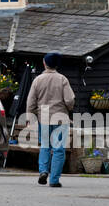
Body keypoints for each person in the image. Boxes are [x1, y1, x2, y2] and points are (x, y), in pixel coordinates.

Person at [25, 51, 75, 188]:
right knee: (58, 149)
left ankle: (43, 171)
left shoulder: (37, 80)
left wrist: (30, 115)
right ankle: (54, 179)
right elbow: (70, 100)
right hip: (60, 118)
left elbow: (31, 101)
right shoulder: (62, 79)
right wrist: (69, 108)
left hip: (44, 117)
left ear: (44, 63)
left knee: (45, 146)